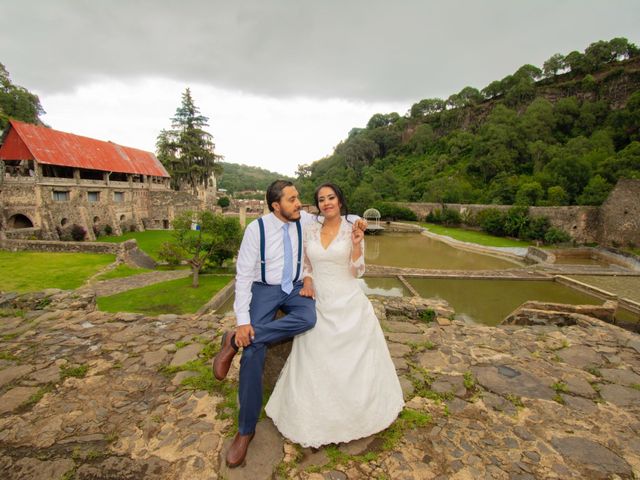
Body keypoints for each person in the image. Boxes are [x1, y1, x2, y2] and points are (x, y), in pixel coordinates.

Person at [265, 182, 404, 448]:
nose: (326, 202)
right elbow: (307, 263)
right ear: (317, 205)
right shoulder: (310, 229)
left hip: (348, 302)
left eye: (331, 197)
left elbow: (358, 271)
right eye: (321, 199)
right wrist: (307, 280)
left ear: (340, 200)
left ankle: (359, 415)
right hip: (319, 302)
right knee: (315, 357)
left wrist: (355, 245)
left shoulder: (353, 228)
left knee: (354, 363)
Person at [212, 179, 319, 468]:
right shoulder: (255, 229)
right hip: (264, 289)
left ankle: (233, 340)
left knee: (308, 317)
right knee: (253, 352)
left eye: (298, 198)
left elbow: (336, 216)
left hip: (295, 288)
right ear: (276, 205)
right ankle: (245, 431)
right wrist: (243, 320)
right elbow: (244, 277)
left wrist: (357, 222)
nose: (299, 204)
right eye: (292, 200)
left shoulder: (304, 219)